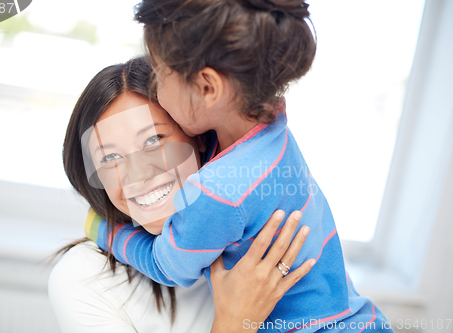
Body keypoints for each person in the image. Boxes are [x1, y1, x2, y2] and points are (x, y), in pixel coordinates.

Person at [88, 0, 394, 332]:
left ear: (207, 87)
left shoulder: (215, 193)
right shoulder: (275, 122)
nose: (155, 91)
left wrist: (105, 230)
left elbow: (167, 266)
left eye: (160, 75)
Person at [49, 57, 315, 333]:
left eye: (154, 140)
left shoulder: (256, 223)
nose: (138, 173)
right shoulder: (82, 276)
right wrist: (235, 323)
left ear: (197, 135)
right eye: (111, 157)